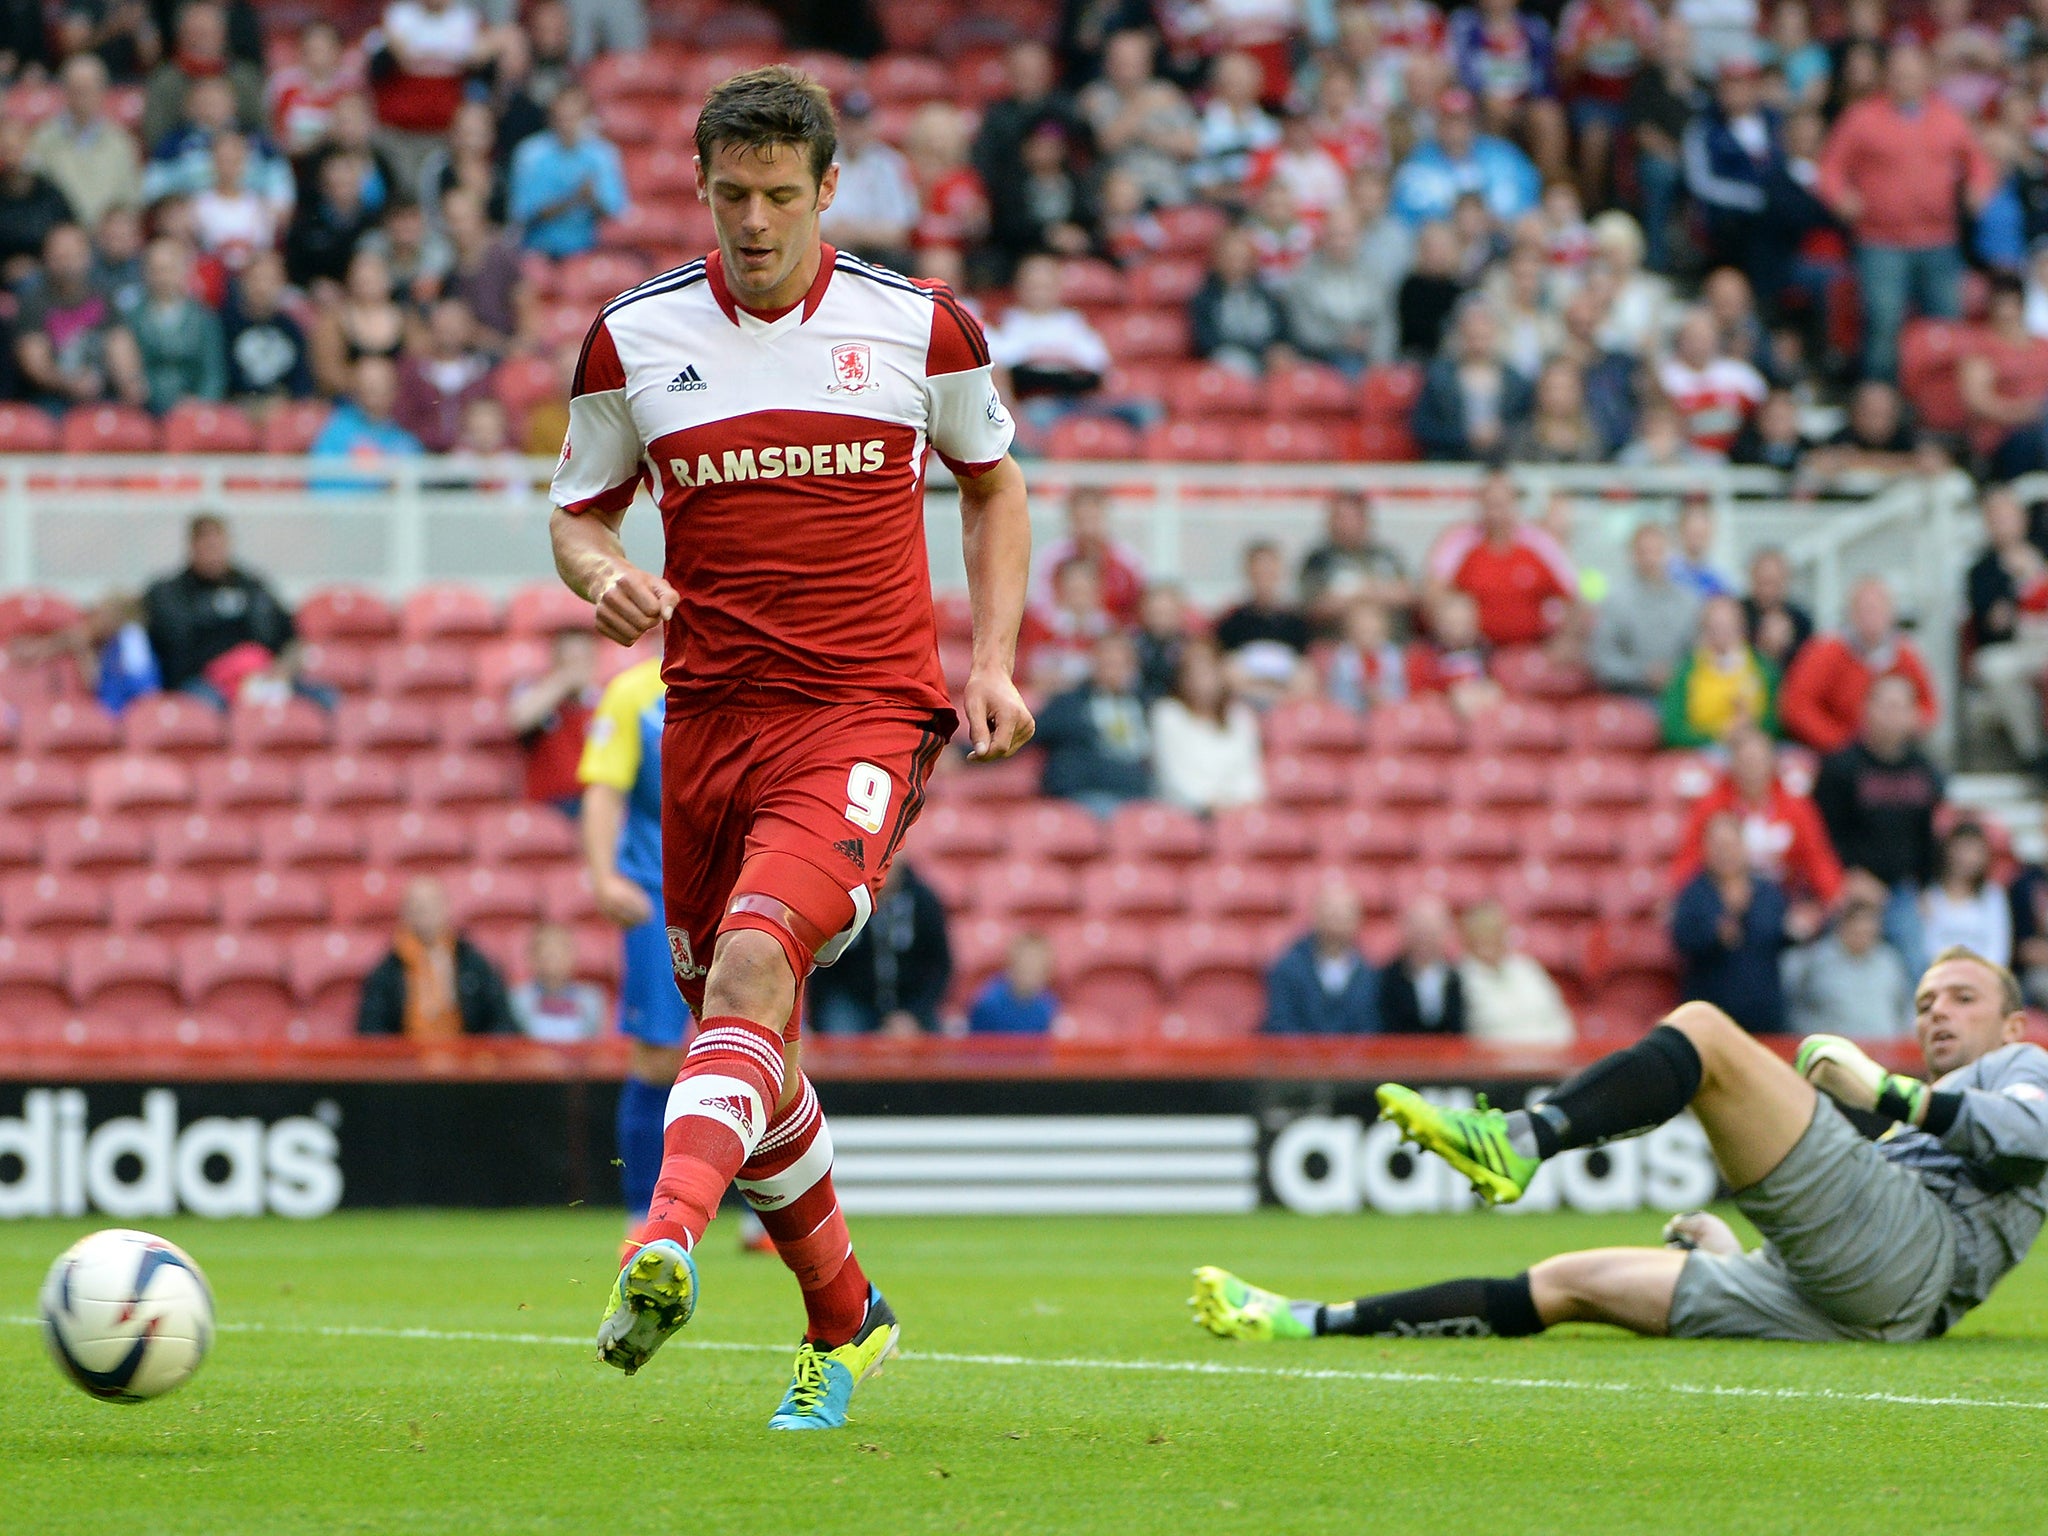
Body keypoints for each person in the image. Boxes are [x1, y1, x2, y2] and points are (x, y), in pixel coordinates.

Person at [547, 69, 1033, 1422]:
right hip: (705, 722)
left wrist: (989, 660)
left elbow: (996, 487)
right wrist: (599, 577)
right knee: (745, 1039)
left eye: (777, 196)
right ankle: (845, 1315)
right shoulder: (631, 341)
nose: (753, 222)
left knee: (756, 963)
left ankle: (662, 1239)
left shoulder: (919, 328)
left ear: (828, 191)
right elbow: (578, 515)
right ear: (700, 194)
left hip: (866, 708)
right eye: (728, 197)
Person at [1197, 947, 2048, 1346]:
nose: (1936, 1010)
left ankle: (1523, 1139)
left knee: (1706, 1033)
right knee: (1570, 1283)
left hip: (1908, 1262)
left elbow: (2031, 1135)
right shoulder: (1939, 1103)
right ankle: (1305, 1321)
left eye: (1961, 998)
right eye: (1927, 997)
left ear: (2010, 1022)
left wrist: (1891, 1095)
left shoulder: (2023, 1064)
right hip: (1857, 1306)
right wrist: (1741, 1250)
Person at [1818, 42, 1998, 382]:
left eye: (1913, 75)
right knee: (1884, 324)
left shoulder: (1948, 116)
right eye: (1899, 75)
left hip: (1940, 240)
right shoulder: (1861, 117)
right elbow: (1830, 167)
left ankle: (1942, 404)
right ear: (1887, 77)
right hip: (1880, 241)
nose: (1906, 82)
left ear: (1927, 77)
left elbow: (1979, 162)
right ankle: (1880, 403)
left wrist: (1978, 189)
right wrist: (1841, 198)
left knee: (1947, 327)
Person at [1813, 675, 1945, 975]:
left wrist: (1925, 885)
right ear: (1866, 710)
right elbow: (1821, 834)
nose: (1893, 715)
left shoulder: (1925, 770)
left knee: (1918, 970)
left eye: (1901, 707)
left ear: (1914, 715)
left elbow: (1928, 834)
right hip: (1847, 887)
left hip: (1902, 890)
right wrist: (1848, 875)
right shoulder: (1840, 767)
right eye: (1886, 706)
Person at [1670, 725, 1844, 910]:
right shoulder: (1711, 806)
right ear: (1733, 764)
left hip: (1783, 900)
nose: (1752, 768)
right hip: (1724, 900)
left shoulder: (1796, 807)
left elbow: (1817, 859)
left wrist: (1835, 899)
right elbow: (1689, 858)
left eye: (1758, 761)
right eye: (1745, 761)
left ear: (1772, 763)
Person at [141, 512, 297, 697]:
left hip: (258, 675)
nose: (213, 552)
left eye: (217, 544)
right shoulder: (168, 594)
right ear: (192, 546)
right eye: (207, 545)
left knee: (320, 698)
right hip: (200, 682)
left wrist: (284, 667)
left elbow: (291, 637)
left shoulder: (254, 589)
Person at [1779, 578, 1939, 756]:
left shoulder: (1904, 654)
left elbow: (1928, 707)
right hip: (1833, 753)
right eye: (1864, 610)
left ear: (1891, 613)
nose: (1871, 617)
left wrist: (1903, 723)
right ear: (1851, 614)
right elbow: (1797, 705)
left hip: (1892, 753)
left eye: (1877, 610)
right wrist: (1838, 743)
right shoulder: (1826, 652)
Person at [1671, 811, 1796, 1033]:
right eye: (1718, 846)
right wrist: (1715, 934)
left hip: (1764, 1017)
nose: (1724, 854)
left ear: (1743, 847)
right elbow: (1682, 939)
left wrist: (1798, 929)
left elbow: (1780, 935)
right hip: (1711, 1016)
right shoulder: (1693, 894)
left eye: (1730, 845)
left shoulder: (1767, 892)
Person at [1424, 471, 1576, 649]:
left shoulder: (1540, 542)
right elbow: (1433, 592)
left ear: (1515, 504)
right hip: (1471, 648)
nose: (1496, 513)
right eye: (1490, 504)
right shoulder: (1460, 540)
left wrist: (1560, 643)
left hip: (1532, 648)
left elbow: (1573, 594)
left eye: (1502, 504)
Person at [356, 877, 518, 1037]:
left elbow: (502, 1021)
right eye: (416, 906)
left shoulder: (472, 962)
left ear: (447, 907)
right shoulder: (388, 970)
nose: (424, 911)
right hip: (408, 1060)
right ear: (403, 913)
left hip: (465, 1059)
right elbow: (371, 1029)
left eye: (432, 904)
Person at [806, 861, 953, 1037]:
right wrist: (818, 1019)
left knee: (937, 1046)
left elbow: (938, 965)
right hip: (854, 1002)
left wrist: (913, 1013)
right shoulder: (845, 901)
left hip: (910, 1003)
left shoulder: (922, 900)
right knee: (840, 1036)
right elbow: (824, 967)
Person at [15, 221, 145, 408]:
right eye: (60, 256)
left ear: (88, 256)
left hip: (103, 393)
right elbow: (35, 364)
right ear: (46, 258)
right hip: (52, 398)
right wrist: (70, 383)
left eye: (74, 255)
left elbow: (119, 343)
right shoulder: (33, 302)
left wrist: (130, 382)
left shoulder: (103, 296)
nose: (68, 263)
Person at [1967, 484, 2048, 769]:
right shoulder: (1982, 571)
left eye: (2008, 515)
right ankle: (2034, 753)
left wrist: (2036, 575)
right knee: (1994, 667)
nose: (2002, 523)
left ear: (2022, 518)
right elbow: (1992, 625)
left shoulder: (2043, 553)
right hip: (2018, 647)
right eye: (1995, 517)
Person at [1036, 630, 1151, 816]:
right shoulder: (1069, 705)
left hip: (1136, 798)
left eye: (1120, 664)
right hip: (1085, 799)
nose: (1113, 671)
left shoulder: (1143, 705)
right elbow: (1026, 733)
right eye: (1107, 663)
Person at [985, 252, 1111, 420]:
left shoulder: (1074, 322)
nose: (1040, 293)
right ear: (1019, 286)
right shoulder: (1005, 323)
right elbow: (1001, 365)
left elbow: (1097, 362)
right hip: (1033, 403)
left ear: (1059, 286)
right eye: (1034, 286)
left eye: (1046, 286)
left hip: (1080, 402)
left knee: (1141, 410)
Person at [507, 83, 626, 260]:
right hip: (539, 251)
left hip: (589, 250)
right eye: (561, 118)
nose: (567, 125)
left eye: (574, 118)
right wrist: (575, 198)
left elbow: (615, 209)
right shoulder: (530, 154)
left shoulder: (603, 154)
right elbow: (523, 212)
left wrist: (592, 198)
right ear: (551, 118)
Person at [1391, 88, 1540, 228]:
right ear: (1438, 125)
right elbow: (1406, 216)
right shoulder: (1418, 162)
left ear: (1473, 123)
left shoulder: (1503, 155)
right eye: (1449, 121)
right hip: (1444, 244)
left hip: (1502, 238)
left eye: (1462, 121)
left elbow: (1530, 195)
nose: (1456, 129)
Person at [27, 53, 140, 232]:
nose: (81, 98)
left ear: (102, 92)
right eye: (75, 90)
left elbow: (130, 201)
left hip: (109, 239)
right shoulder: (42, 140)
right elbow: (35, 197)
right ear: (63, 92)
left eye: (88, 90)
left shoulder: (121, 142)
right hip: (59, 237)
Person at [1149, 639, 1264, 814]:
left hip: (1237, 811)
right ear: (1181, 678)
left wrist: (1241, 802)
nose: (1200, 681)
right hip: (1186, 814)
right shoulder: (1167, 715)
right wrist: (1208, 804)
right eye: (1192, 673)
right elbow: (1173, 778)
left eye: (1207, 672)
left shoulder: (1240, 717)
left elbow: (1250, 774)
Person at [1590, 521, 1700, 697]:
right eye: (1643, 552)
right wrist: (1642, 673)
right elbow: (1602, 659)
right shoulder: (1615, 600)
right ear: (1631, 555)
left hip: (1682, 693)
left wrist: (1675, 673)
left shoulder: (1689, 601)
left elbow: (1699, 653)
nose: (1650, 559)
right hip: (1629, 694)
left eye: (1657, 551)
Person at [1412, 300, 1531, 461]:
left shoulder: (1516, 381)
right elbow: (1422, 426)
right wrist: (1465, 436)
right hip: (1450, 462)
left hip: (1502, 463)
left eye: (1484, 337)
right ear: (1459, 336)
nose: (1478, 345)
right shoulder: (1438, 377)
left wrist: (1501, 433)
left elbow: (1527, 423)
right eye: (1471, 337)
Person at [1781, 896, 1914, 1040]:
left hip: (1886, 1051)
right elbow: (1793, 1006)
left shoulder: (1889, 961)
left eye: (1868, 932)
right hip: (1834, 1051)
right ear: (1842, 927)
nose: (1863, 937)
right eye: (1857, 932)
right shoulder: (1814, 960)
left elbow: (1906, 1007)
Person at [121, 236, 226, 414]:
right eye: (155, 270)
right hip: (147, 410)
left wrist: (200, 402)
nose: (162, 277)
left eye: (168, 270)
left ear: (183, 271)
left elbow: (213, 372)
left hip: (193, 410)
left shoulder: (204, 318)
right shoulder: (131, 318)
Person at [1264, 876, 1381, 1035]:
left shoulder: (1370, 975)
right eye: (1331, 911)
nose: (1337, 919)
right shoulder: (1287, 968)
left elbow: (1371, 1029)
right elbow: (1281, 1024)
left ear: (1358, 919)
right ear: (1315, 915)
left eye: (1345, 912)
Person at [1660, 594, 1779, 749]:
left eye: (1729, 626)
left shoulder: (1764, 669)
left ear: (1742, 629)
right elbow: (1673, 731)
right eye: (1714, 627)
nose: (1722, 634)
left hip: (1754, 748)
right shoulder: (1686, 671)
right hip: (1704, 750)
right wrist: (1719, 734)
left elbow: (1778, 722)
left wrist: (1749, 727)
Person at [818, 91, 917, 271]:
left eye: (861, 124)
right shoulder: (822, 159)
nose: (855, 131)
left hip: (874, 254)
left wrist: (855, 232)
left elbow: (898, 232)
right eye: (850, 123)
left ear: (872, 124)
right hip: (825, 248)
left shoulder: (890, 164)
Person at [1458, 898, 1574, 1046]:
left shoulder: (1527, 968)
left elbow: (1559, 1017)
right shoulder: (1459, 979)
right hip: (1494, 1063)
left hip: (1550, 1058)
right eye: (1483, 933)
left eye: (1496, 932)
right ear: (1468, 939)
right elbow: (1485, 1030)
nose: (1491, 940)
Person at [1298, 490, 1411, 638]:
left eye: (1353, 517)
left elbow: (1408, 595)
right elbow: (1313, 607)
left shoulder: (1386, 556)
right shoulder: (1317, 561)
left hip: (1392, 646)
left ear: (1365, 520)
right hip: (1336, 646)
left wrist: (1365, 592)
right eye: (1340, 517)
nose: (1346, 524)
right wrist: (1361, 594)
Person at [509, 627, 598, 811]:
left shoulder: (602, 703)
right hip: (548, 804)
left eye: (582, 660)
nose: (576, 669)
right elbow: (518, 719)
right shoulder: (535, 693)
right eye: (569, 661)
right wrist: (563, 681)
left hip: (591, 803)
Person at [1214, 540, 1313, 706]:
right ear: (1248, 572)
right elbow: (1227, 669)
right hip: (1244, 701)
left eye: (1269, 571)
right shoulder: (1232, 621)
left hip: (1287, 699)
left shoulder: (1296, 622)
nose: (1264, 577)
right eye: (1259, 571)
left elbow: (1303, 669)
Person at [1032, 485, 1144, 627]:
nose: (1088, 527)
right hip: (1062, 634)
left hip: (1112, 638)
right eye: (1081, 519)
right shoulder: (1052, 558)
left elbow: (1137, 606)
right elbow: (1043, 604)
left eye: (1093, 518)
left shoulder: (1127, 559)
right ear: (1071, 520)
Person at [1189, 224, 1290, 375]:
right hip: (1231, 361)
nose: (1236, 265)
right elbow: (1207, 343)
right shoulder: (1205, 298)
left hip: (1267, 358)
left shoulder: (1265, 295)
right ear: (1217, 260)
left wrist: (1279, 351)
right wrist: (1257, 352)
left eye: (1242, 259)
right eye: (1230, 258)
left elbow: (1282, 332)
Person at [222, 250, 313, 403]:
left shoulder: (291, 328)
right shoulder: (226, 325)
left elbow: (301, 381)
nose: (262, 287)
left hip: (282, 409)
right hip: (236, 407)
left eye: (270, 280)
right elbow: (222, 377)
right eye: (256, 279)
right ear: (243, 281)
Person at [1922, 822, 2012, 967]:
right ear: (1948, 850)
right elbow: (1927, 946)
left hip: (1983, 977)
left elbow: (1999, 948)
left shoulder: (1994, 895)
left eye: (1975, 851)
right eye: (1963, 849)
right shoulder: (1930, 896)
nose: (1967, 858)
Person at [1378, 894, 1465, 1034]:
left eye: (1432, 930)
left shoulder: (1457, 978)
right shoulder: (1388, 978)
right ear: (1406, 930)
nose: (1425, 937)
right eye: (1420, 929)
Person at [311, 355, 426, 461]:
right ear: (355, 388)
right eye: (367, 383)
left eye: (381, 384)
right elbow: (321, 476)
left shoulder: (406, 441)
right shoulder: (335, 430)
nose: (373, 390)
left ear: (395, 390)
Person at [510, 922, 607, 1042]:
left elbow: (594, 1045)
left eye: (559, 952)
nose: (552, 959)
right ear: (531, 958)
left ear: (573, 956)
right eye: (546, 953)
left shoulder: (590, 999)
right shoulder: (517, 999)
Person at [968, 930, 1061, 1035]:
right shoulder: (987, 1004)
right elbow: (976, 1047)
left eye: (1036, 968)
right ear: (1011, 964)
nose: (1030, 971)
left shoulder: (1047, 1006)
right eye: (1025, 966)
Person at [1742, 544, 1813, 674]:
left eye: (1773, 582)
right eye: (1763, 581)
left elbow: (1809, 665)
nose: (1768, 590)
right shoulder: (1737, 614)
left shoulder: (1802, 620)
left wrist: (1786, 647)